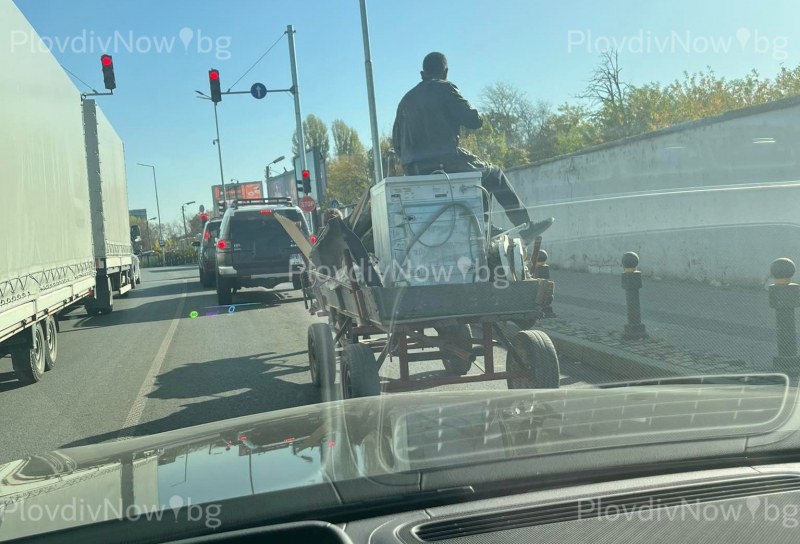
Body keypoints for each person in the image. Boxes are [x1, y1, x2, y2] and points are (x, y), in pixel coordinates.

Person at [392, 51, 553, 245]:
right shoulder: (445, 88)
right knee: (493, 175)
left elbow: (397, 145)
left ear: (422, 73)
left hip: (413, 171)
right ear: (445, 72)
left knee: (478, 175)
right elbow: (474, 120)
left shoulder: (405, 101)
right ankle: (524, 227)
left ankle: (486, 227)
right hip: (444, 163)